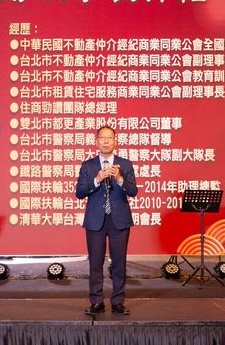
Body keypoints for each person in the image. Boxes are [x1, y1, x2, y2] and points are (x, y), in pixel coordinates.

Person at [76, 125, 138, 316]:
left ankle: (118, 302)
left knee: (119, 263)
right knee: (95, 264)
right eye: (102, 138)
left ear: (115, 141)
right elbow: (79, 192)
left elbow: (133, 191)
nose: (105, 141)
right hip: (96, 221)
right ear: (96, 142)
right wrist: (96, 179)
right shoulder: (88, 166)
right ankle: (97, 302)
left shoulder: (125, 165)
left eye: (109, 138)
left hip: (119, 220)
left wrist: (119, 178)